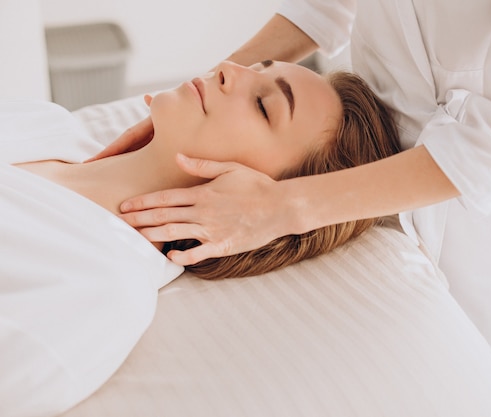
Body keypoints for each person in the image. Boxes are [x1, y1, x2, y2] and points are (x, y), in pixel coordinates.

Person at [96, 0, 491, 396]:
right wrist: (201, 95)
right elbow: (325, 7)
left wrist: (282, 207)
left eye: (265, 106)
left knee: (472, 379)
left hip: (476, 210)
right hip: (359, 141)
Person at [0, 60, 400, 416]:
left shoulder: (96, 287)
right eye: (257, 68)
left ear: (262, 197)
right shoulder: (47, 123)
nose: (228, 67)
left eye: (264, 106)